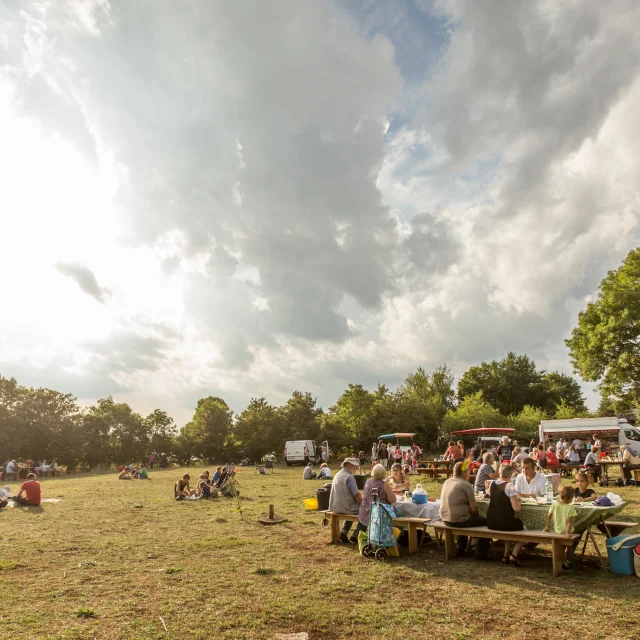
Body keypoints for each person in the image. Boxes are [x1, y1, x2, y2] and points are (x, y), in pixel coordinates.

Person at [440, 462, 490, 559]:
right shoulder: (466, 485)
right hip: (458, 519)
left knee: (465, 516)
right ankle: (481, 552)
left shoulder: (447, 482)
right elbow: (474, 509)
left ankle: (461, 547)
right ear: (463, 473)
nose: (469, 473)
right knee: (487, 521)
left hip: (445, 518)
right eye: (468, 471)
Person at [486, 465, 524, 566]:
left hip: (491, 521)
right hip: (504, 521)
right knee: (526, 530)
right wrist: (518, 501)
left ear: (499, 473)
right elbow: (516, 508)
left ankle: (505, 555)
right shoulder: (510, 486)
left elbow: (491, 494)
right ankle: (514, 555)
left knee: (508, 529)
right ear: (511, 475)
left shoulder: (492, 484)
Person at [328, 458, 364, 543]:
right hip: (346, 508)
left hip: (335, 506)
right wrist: (364, 504)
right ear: (350, 465)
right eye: (356, 467)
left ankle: (344, 532)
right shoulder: (349, 477)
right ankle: (356, 536)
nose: (356, 469)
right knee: (368, 512)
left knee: (352, 507)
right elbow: (357, 496)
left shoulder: (337, 474)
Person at [543, 485, 578, 572]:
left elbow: (549, 516)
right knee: (569, 546)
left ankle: (561, 561)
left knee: (561, 546)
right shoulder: (570, 508)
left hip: (557, 530)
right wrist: (567, 532)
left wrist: (547, 527)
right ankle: (569, 561)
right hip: (566, 531)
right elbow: (570, 522)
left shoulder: (554, 504)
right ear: (570, 498)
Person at [358, 463, 396, 528]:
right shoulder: (385, 485)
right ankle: (399, 535)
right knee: (401, 513)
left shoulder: (368, 481)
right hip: (379, 514)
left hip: (364, 512)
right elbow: (392, 500)